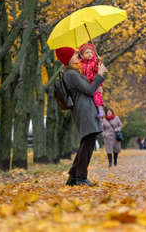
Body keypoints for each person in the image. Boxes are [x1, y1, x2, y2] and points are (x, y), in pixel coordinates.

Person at [55, 46, 107, 187]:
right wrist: (100, 75)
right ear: (68, 59)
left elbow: (89, 86)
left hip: (86, 109)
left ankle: (73, 176)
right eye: (74, 54)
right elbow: (89, 90)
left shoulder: (73, 72)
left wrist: (98, 70)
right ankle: (81, 178)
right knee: (88, 143)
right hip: (84, 110)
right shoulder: (70, 74)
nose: (77, 55)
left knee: (87, 142)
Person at [78, 43, 105, 118]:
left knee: (97, 95)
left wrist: (99, 62)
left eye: (91, 52)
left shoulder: (94, 62)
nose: (90, 54)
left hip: (94, 82)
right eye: (87, 52)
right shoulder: (80, 64)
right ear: (82, 55)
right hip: (86, 83)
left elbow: (99, 70)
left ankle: (100, 110)